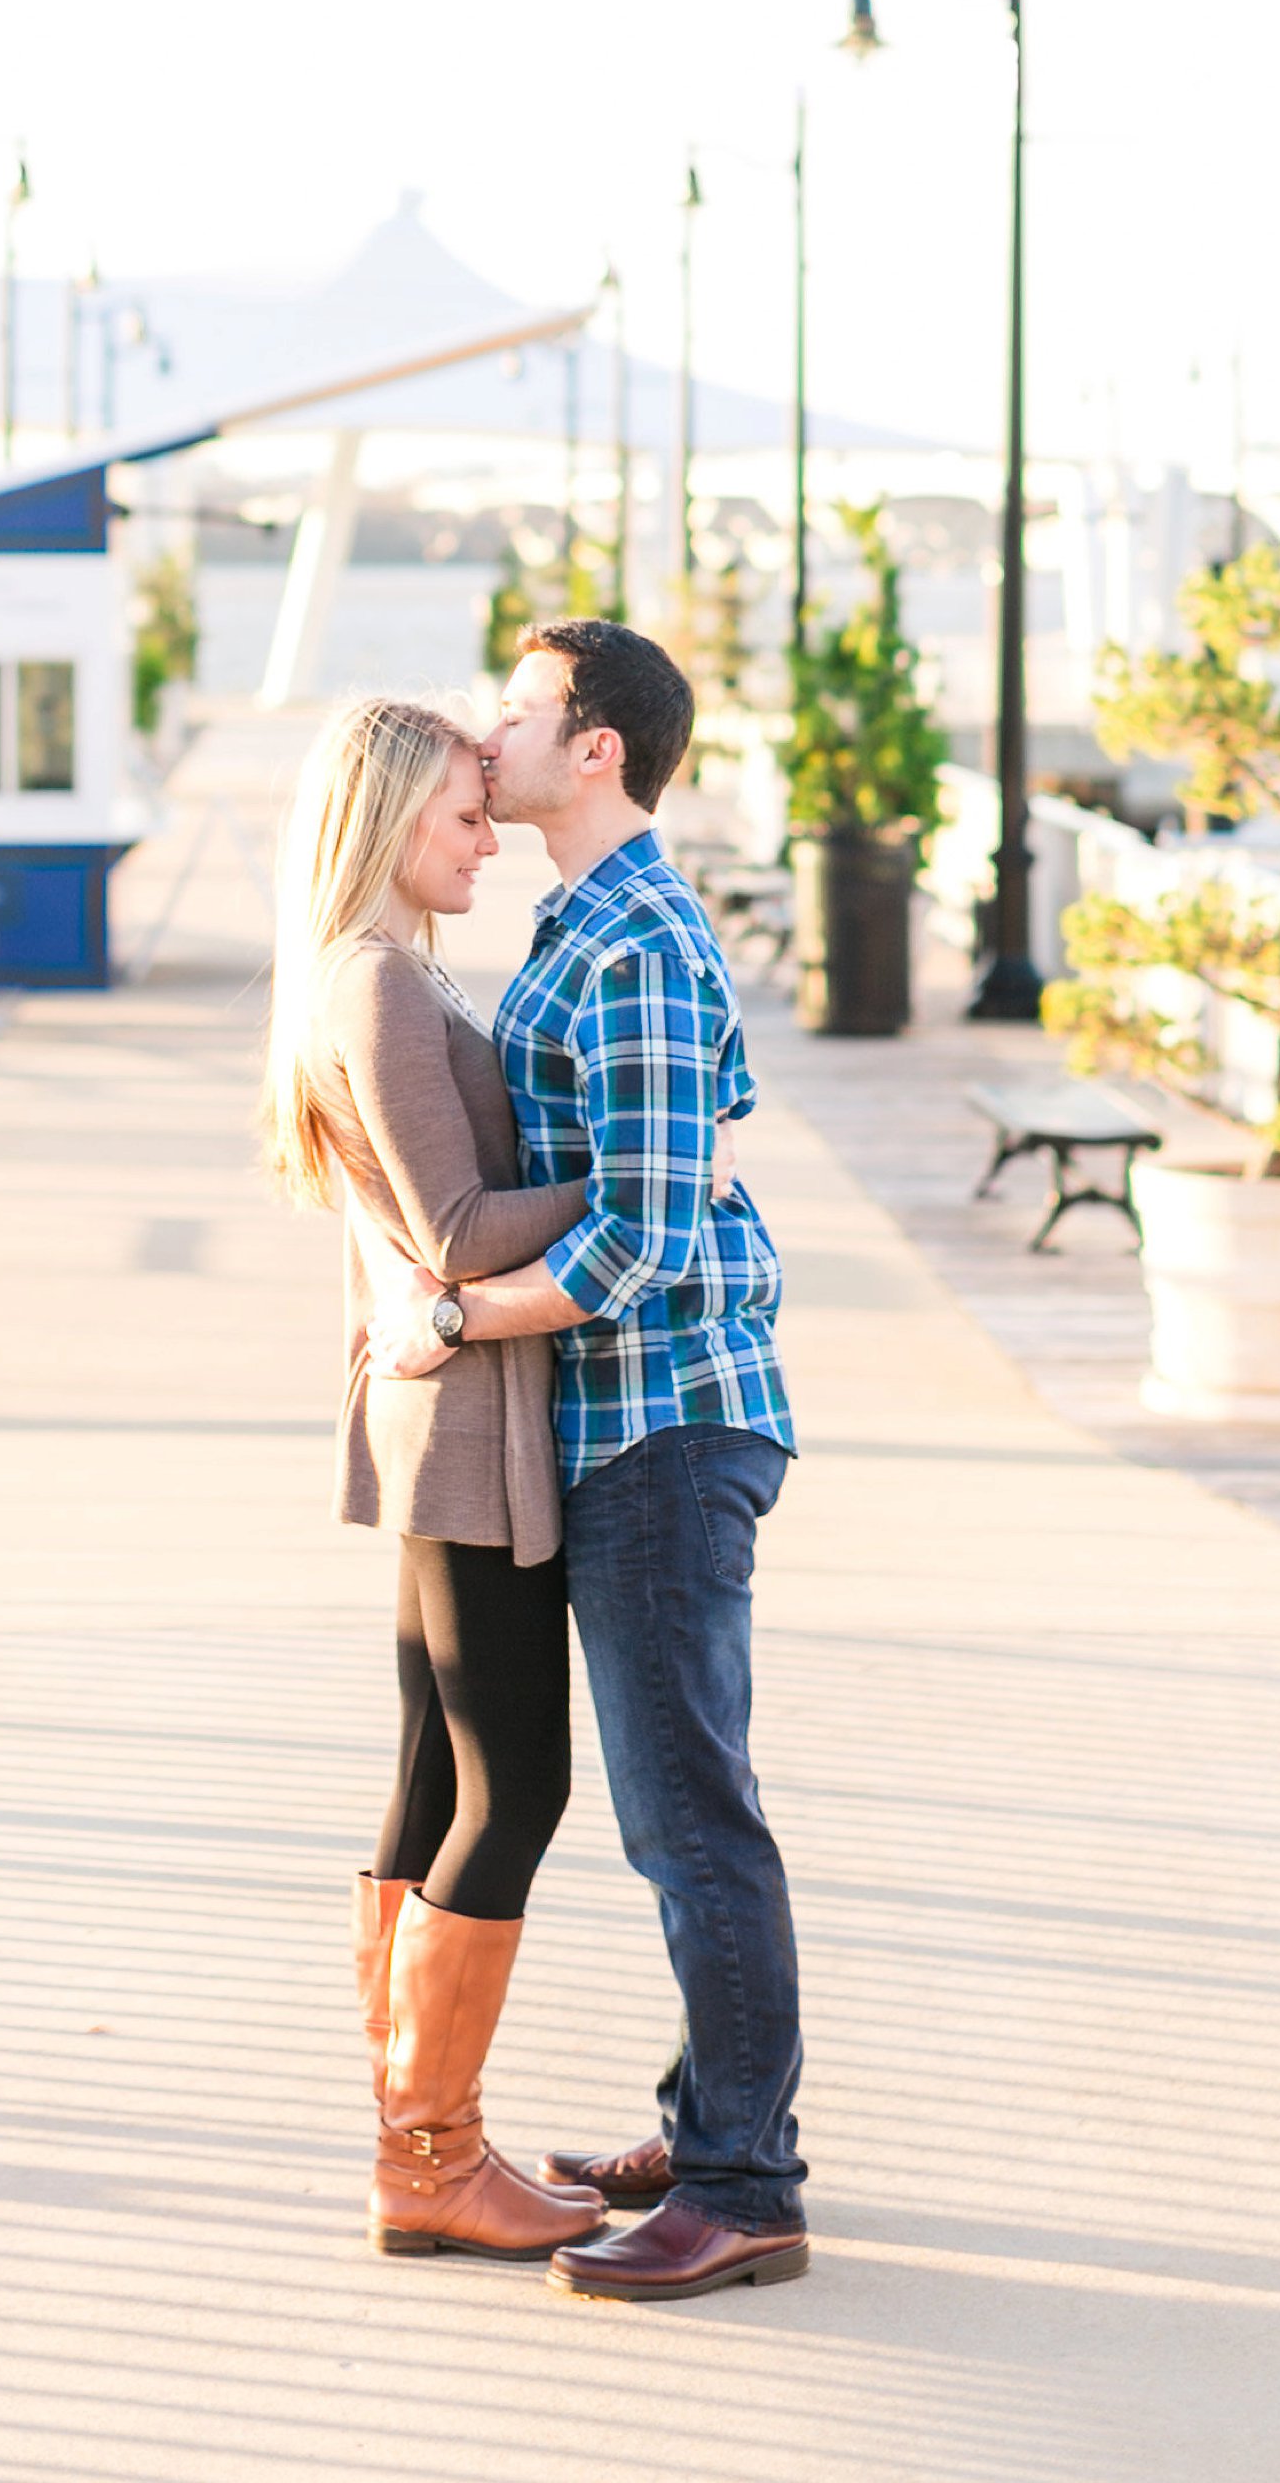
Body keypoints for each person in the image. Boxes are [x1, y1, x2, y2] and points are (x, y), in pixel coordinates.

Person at [367, 618, 809, 2305]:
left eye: (522, 707)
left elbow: (640, 1233)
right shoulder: (587, 918)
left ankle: (746, 2183)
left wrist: (454, 1320)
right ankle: (713, 2117)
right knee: (677, 1803)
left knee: (690, 1815)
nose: (493, 734)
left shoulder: (635, 944)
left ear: (597, 744)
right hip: (613, 1414)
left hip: (664, 1414)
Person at [259, 694, 606, 2261]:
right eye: (467, 818)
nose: (489, 841)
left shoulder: (377, 978)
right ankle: (430, 2158)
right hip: (462, 1434)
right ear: (393, 823)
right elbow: (459, 1232)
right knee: (511, 1778)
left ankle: (419, 2141)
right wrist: (643, 1181)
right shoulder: (378, 989)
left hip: (444, 1422)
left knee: (431, 1773)